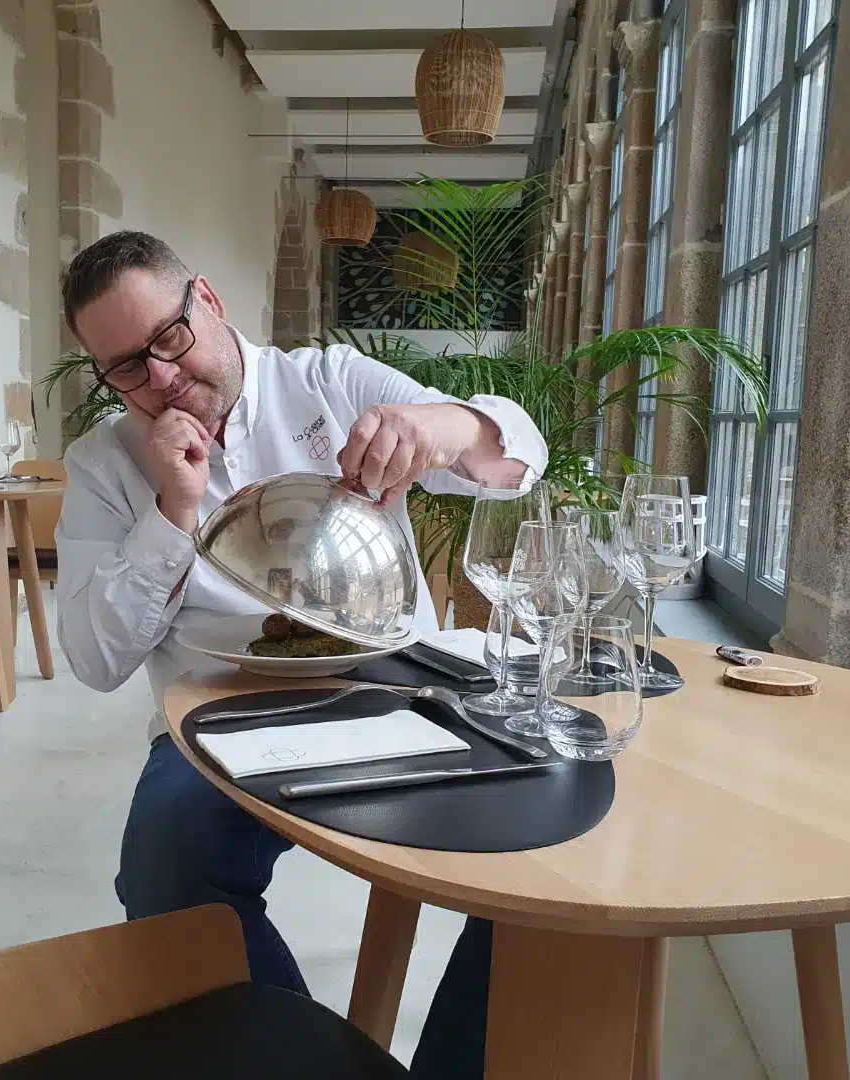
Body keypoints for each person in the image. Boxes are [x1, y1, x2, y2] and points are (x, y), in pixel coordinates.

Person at [54, 230, 549, 1076]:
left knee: (545, 845)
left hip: (395, 688)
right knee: (167, 869)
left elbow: (518, 459)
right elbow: (96, 659)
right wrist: (171, 515)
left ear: (206, 302)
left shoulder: (329, 383)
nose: (161, 378)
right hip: (218, 715)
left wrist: (442, 423)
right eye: (126, 368)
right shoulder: (106, 462)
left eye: (168, 339)